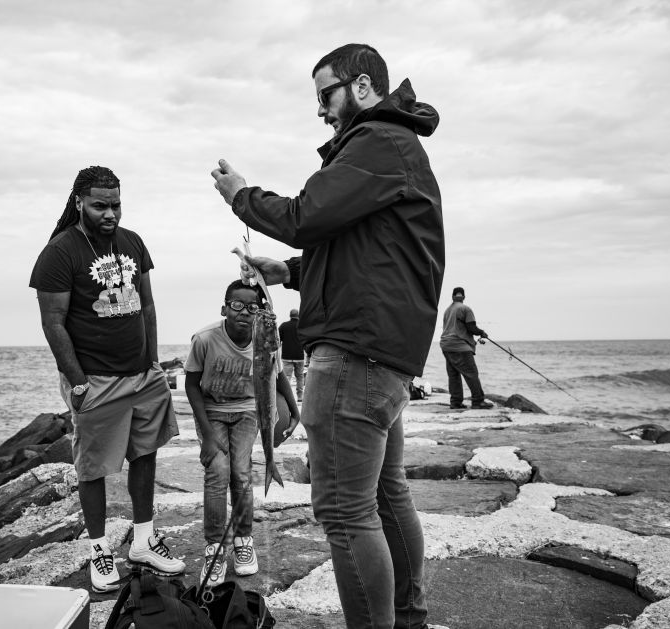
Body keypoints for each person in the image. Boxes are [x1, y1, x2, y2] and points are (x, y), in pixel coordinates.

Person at [210, 44, 444, 629]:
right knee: (386, 495)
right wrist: (289, 272)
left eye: (325, 95)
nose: (319, 110)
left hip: (356, 353)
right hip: (382, 353)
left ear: (362, 87)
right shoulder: (391, 149)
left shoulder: (378, 142)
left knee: (344, 511)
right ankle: (408, 620)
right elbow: (363, 253)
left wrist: (240, 196)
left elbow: (305, 215)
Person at [29, 165, 185, 593]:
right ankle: (98, 549)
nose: (110, 213)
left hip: (142, 375)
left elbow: (148, 307)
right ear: (79, 202)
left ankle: (143, 539)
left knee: (146, 453)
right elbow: (53, 324)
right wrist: (77, 383)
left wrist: (153, 364)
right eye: (100, 205)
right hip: (94, 379)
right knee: (93, 468)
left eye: (116, 204)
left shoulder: (133, 242)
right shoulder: (60, 253)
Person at [184, 280, 300, 586]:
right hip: (213, 412)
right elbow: (191, 384)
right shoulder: (205, 339)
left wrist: (294, 406)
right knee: (218, 472)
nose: (244, 312)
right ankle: (214, 547)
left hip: (249, 410)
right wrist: (207, 436)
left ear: (259, 313)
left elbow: (274, 375)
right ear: (224, 308)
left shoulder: (265, 340)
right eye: (236, 305)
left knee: (242, 473)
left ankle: (243, 540)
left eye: (252, 307)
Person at [439, 287, 493, 410]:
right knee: (471, 373)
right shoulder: (465, 309)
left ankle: (455, 402)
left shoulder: (447, 310)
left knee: (454, 375)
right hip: (459, 346)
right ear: (463, 297)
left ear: (452, 297)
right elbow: (471, 328)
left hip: (446, 345)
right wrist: (482, 332)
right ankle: (478, 401)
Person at [278, 308, 307, 401]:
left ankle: (287, 397)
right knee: (300, 377)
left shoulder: (283, 326)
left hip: (287, 356)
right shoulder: (302, 326)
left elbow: (278, 340)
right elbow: (306, 340)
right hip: (299, 356)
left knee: (287, 377)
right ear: (298, 315)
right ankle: (300, 397)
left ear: (290, 315)